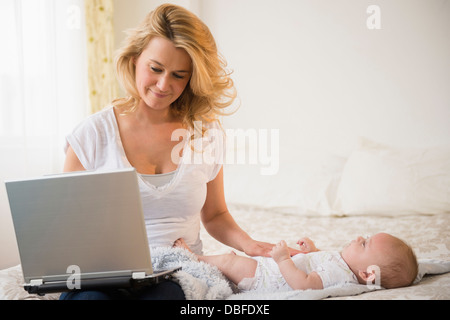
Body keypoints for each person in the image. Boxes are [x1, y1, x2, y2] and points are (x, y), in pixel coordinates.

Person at [61, 4, 294, 300]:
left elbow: (216, 214)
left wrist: (248, 244)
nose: (163, 85)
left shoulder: (205, 134)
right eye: (155, 69)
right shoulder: (92, 135)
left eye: (178, 75)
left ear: (192, 79)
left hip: (177, 272)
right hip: (104, 275)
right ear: (135, 60)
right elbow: (67, 227)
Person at [174, 232, 419, 292]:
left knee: (229, 261)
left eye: (364, 244)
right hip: (266, 271)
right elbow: (323, 263)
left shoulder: (339, 275)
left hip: (267, 278)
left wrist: (283, 260)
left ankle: (192, 258)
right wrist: (313, 251)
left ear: (367, 274)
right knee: (232, 263)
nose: (358, 238)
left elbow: (305, 285)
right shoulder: (344, 265)